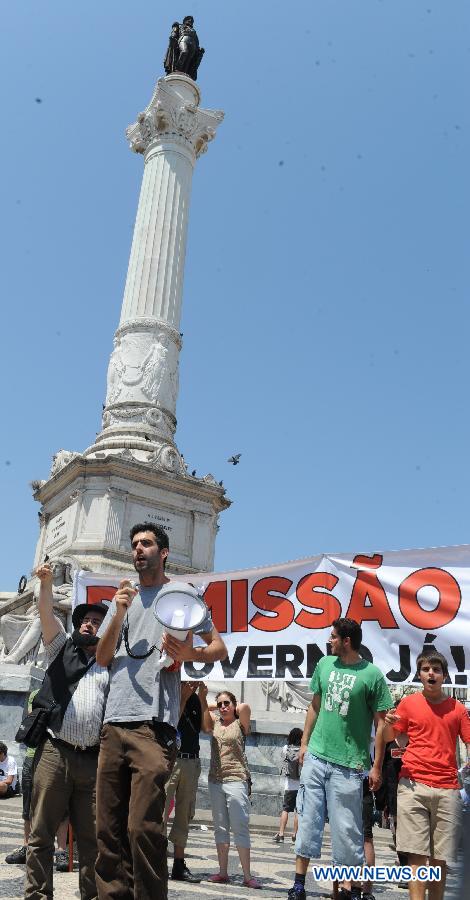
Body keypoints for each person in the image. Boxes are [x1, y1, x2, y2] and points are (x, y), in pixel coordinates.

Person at [94, 523, 227, 900]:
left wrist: (191, 655)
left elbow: (219, 647)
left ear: (163, 552)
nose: (139, 550)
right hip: (113, 723)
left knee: (143, 827)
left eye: (147, 544)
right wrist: (118, 613)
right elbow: (103, 658)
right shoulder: (123, 598)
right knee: (108, 830)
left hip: (153, 727)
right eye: (134, 544)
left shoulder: (181, 594)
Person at [288, 617, 392, 900]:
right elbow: (315, 705)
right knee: (307, 820)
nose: (329, 641)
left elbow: (382, 724)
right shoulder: (324, 665)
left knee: (347, 830)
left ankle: (347, 890)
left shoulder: (372, 675)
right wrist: (305, 743)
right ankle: (298, 884)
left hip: (350, 764)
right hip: (317, 757)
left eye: (333, 637)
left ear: (346, 641)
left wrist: (377, 765)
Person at [25, 561, 109, 900]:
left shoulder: (110, 663)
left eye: (98, 622)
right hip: (55, 752)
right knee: (41, 834)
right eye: (87, 620)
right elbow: (46, 615)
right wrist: (45, 584)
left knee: (92, 842)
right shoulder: (61, 648)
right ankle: (37, 896)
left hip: (92, 761)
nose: (90, 624)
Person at [383, 651, 470, 900]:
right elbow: (390, 737)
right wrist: (388, 723)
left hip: (448, 789)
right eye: (426, 669)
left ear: (444, 676)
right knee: (416, 856)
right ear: (420, 675)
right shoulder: (408, 703)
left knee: (439, 860)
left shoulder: (458, 709)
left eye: (436, 669)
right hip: (412, 786)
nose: (431, 673)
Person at [200, 686, 261, 889]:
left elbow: (245, 706)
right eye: (220, 705)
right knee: (220, 828)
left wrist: (226, 704)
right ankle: (223, 872)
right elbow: (204, 714)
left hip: (237, 779)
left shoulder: (240, 723)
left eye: (227, 703)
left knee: (240, 827)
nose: (223, 707)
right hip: (216, 780)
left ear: (233, 706)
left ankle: (247, 875)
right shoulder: (214, 723)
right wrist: (206, 700)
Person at [5, 689, 69, 870]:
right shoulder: (35, 694)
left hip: (60, 753)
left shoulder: (70, 689)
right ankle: (27, 847)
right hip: (33, 755)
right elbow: (32, 720)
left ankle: (61, 850)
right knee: (28, 805)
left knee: (62, 805)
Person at [164, 680, 208, 883]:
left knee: (184, 814)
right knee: (159, 811)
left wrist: (202, 697)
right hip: (170, 759)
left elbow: (206, 727)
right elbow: (170, 723)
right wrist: (182, 697)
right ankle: (154, 860)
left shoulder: (196, 699)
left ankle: (179, 864)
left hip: (191, 760)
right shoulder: (169, 690)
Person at [273, 727, 303, 843]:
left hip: (289, 785)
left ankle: (281, 834)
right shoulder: (303, 751)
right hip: (301, 785)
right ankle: (295, 835)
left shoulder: (286, 749)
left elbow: (282, 761)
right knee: (298, 811)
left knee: (285, 810)